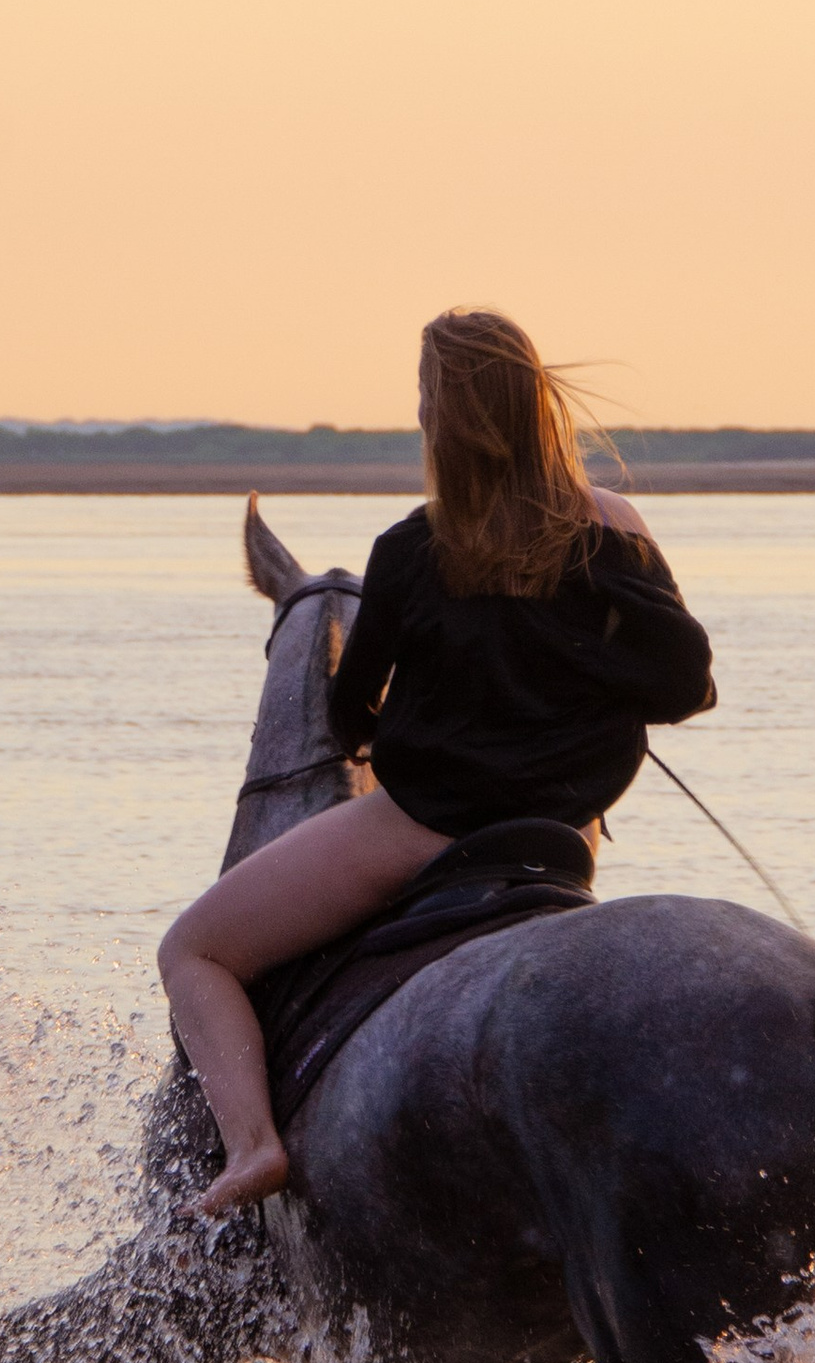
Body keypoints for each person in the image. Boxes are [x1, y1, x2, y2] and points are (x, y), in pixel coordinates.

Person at [158, 306, 716, 1215]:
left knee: (194, 952)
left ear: (441, 420)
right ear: (537, 406)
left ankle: (253, 1149)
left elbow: (347, 719)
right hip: (564, 836)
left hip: (425, 830)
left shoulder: (413, 550)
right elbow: (686, 685)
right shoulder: (615, 531)